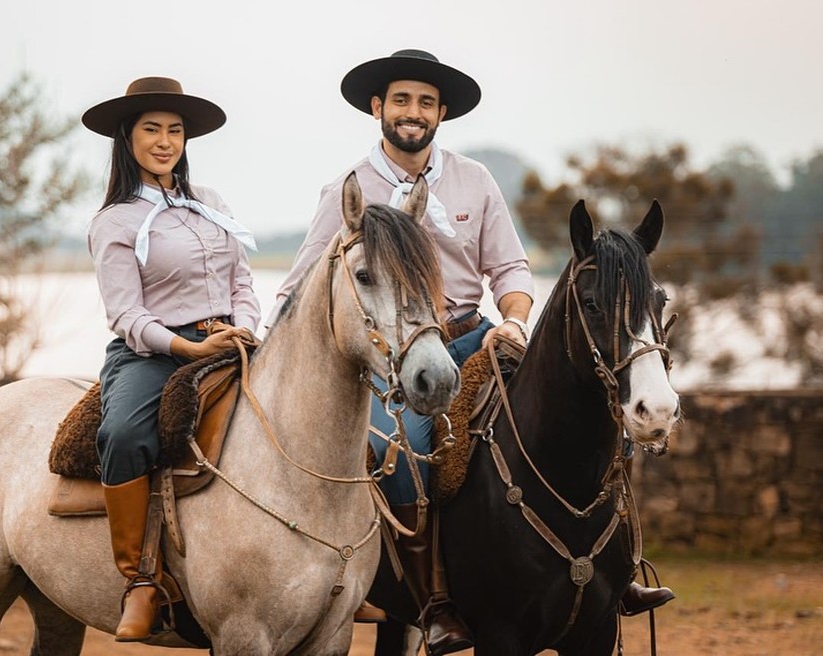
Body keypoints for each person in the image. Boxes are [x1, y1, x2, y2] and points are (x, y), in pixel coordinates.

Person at [269, 49, 670, 655]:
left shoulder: (473, 181)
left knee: (589, 421)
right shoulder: (348, 191)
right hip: (391, 353)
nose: (413, 112)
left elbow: (509, 268)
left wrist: (511, 321)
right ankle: (433, 601)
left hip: (472, 334)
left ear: (441, 113)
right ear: (378, 108)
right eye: (401, 100)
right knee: (400, 450)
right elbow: (301, 285)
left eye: (426, 102)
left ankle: (618, 572)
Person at [82, 76, 261, 642]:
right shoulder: (114, 221)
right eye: (152, 129)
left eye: (175, 131)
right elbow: (126, 316)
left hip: (229, 340)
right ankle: (140, 579)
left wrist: (245, 329)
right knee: (123, 435)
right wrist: (187, 347)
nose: (165, 141)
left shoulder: (213, 204)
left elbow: (243, 282)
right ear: (127, 137)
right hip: (154, 353)